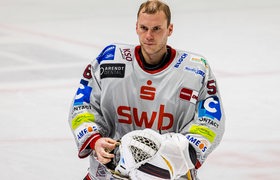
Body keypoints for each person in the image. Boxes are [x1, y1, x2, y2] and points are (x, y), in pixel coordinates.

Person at [68, 0, 225, 179]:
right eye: (144, 28)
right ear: (136, 27)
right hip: (109, 174)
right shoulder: (110, 60)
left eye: (157, 29)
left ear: (170, 29)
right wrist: (95, 140)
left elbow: (210, 120)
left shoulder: (196, 69)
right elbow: (83, 105)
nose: (149, 35)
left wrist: (176, 154)